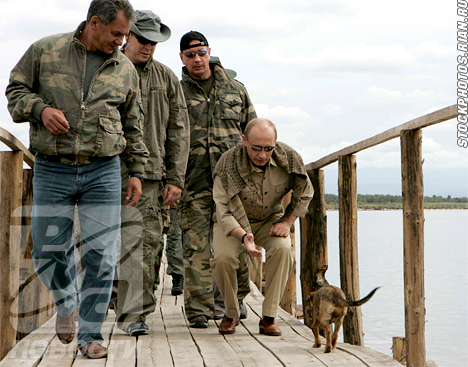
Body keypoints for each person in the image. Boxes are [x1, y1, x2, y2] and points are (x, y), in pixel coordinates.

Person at [5, 0, 148, 359]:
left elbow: (134, 123)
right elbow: (15, 92)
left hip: (104, 170)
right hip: (53, 167)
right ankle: (66, 302)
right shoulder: (44, 50)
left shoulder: (125, 69)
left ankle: (91, 335)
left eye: (125, 34)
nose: (122, 40)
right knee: (46, 250)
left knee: (102, 255)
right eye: (117, 33)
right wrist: (41, 110)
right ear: (94, 23)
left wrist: (136, 172)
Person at [114, 10, 189, 336]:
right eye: (143, 40)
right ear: (127, 35)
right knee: (99, 246)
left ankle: (133, 315)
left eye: (155, 43)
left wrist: (175, 179)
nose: (148, 47)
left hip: (150, 178)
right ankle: (106, 303)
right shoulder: (105, 69)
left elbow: (179, 131)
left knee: (143, 245)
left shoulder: (167, 78)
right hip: (106, 172)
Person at [179, 31, 257, 328]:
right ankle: (199, 308)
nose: (197, 59)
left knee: (234, 242)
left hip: (232, 182)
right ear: (182, 58)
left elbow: (252, 133)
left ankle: (233, 302)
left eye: (201, 52)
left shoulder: (235, 90)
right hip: (193, 179)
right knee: (196, 245)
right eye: (190, 55)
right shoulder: (177, 92)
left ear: (209, 52)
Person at [211, 118, 314, 335]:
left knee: (284, 250)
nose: (262, 155)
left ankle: (268, 317)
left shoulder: (290, 159)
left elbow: (306, 191)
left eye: (268, 149)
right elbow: (223, 210)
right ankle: (230, 313)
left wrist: (287, 222)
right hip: (234, 224)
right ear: (245, 140)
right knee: (222, 257)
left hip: (270, 221)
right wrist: (243, 236)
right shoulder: (227, 164)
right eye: (256, 148)